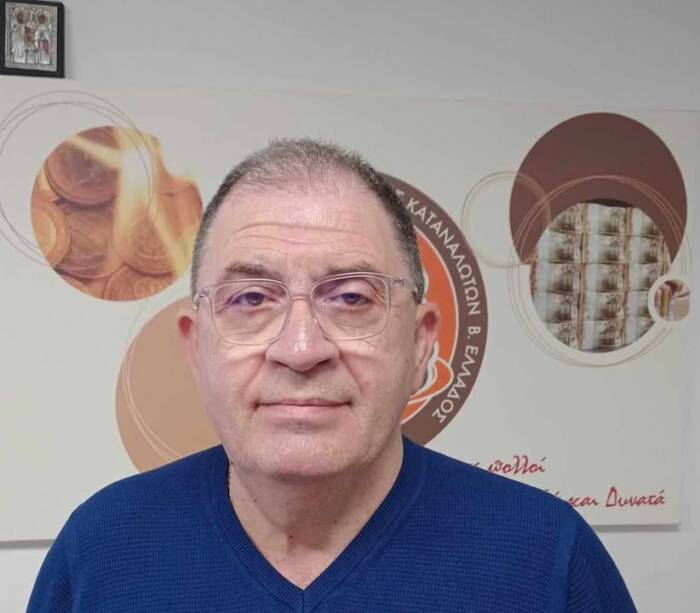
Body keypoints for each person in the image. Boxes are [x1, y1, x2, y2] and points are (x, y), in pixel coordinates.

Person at [28, 139, 636, 612]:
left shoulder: (547, 560)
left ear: (421, 344)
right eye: (251, 299)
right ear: (195, 348)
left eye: (350, 298)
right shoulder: (101, 553)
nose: (300, 349)